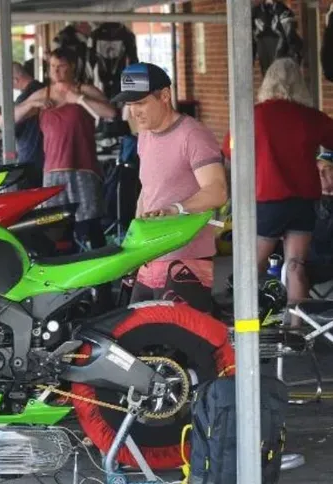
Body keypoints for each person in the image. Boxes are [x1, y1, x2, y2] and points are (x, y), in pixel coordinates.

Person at [112, 63, 228, 313]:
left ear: (164, 96)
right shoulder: (145, 135)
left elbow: (217, 191)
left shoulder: (193, 135)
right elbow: (148, 190)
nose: (134, 113)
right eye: (129, 105)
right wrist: (133, 246)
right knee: (135, 341)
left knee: (181, 345)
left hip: (185, 260)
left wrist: (175, 209)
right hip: (149, 255)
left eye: (140, 103)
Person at [222, 57, 333, 307]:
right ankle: (297, 328)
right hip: (305, 200)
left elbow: (230, 152)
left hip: (268, 198)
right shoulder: (311, 117)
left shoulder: (253, 116)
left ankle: (244, 325)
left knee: (253, 265)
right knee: (295, 265)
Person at [15, 47, 117, 250]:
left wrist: (79, 100)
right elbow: (11, 119)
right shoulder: (43, 93)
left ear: (72, 67)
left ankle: (100, 279)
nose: (56, 71)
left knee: (89, 226)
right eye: (52, 67)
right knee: (54, 228)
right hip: (53, 171)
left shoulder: (83, 90)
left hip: (83, 169)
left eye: (61, 67)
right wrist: (31, 104)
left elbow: (111, 113)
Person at [12, 62, 44, 187]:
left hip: (30, 153)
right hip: (48, 153)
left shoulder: (24, 98)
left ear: (15, 80)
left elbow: (12, 129)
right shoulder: (44, 89)